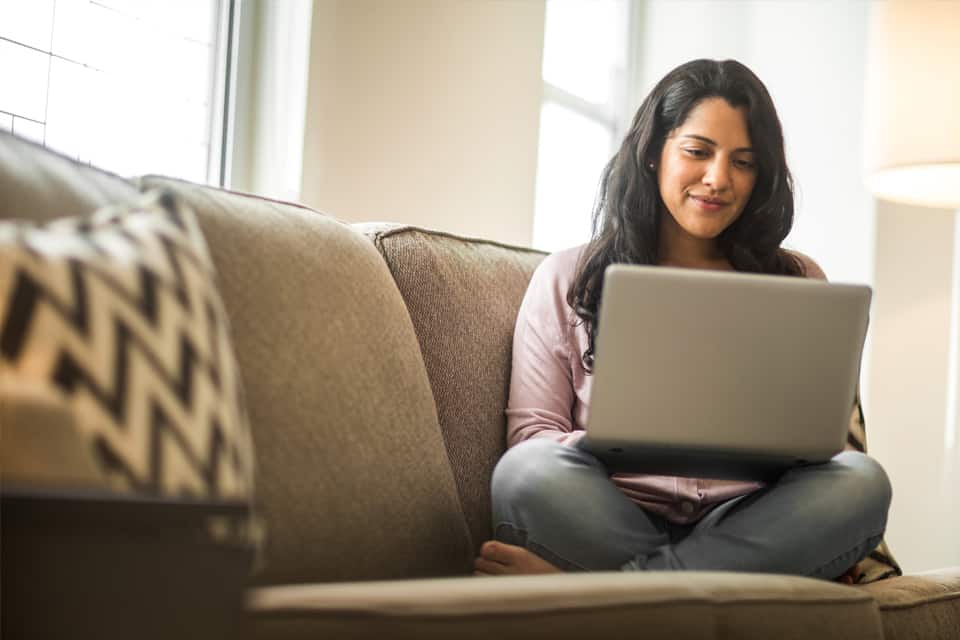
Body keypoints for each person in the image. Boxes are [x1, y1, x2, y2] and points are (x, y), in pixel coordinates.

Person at [474, 59, 891, 581]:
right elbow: (533, 435)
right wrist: (614, 440)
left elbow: (822, 448)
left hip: (749, 520)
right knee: (525, 473)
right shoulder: (568, 277)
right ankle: (689, 593)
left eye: (743, 162)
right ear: (654, 154)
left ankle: (615, 598)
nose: (718, 179)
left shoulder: (798, 279)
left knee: (861, 482)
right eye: (698, 152)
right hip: (611, 513)